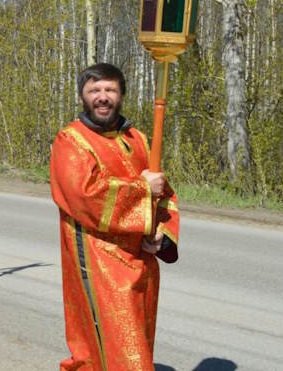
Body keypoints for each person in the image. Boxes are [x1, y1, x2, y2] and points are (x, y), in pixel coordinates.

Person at [49, 63, 180, 370]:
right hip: (97, 265)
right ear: (83, 95)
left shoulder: (138, 139)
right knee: (110, 346)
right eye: (95, 90)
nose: (102, 97)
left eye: (110, 90)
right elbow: (85, 196)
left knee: (138, 342)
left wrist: (161, 235)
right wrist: (140, 188)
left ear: (121, 95)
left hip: (141, 262)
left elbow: (164, 195)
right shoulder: (71, 141)